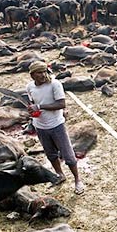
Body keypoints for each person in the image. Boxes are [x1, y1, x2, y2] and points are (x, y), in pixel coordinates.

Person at [26, 61, 85, 195]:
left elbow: (61, 103)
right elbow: (33, 102)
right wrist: (32, 110)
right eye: (39, 72)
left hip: (56, 125)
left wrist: (40, 107)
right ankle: (60, 175)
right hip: (40, 126)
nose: (43, 75)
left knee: (69, 156)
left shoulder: (54, 84)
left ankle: (77, 181)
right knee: (51, 154)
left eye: (44, 71)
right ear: (32, 75)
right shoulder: (30, 87)